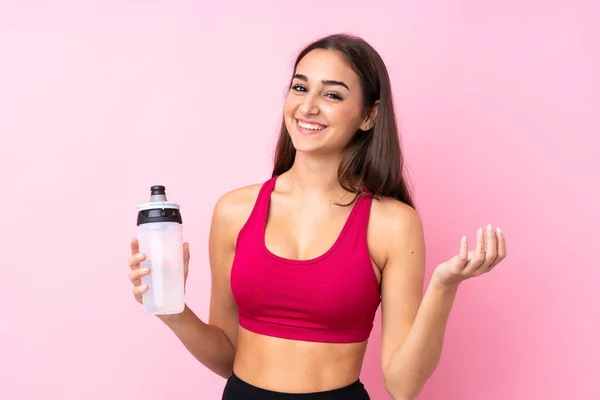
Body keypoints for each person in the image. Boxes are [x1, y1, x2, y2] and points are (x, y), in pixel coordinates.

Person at [127, 33, 507, 400]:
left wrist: (443, 287)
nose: (307, 106)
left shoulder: (392, 223)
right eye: (299, 87)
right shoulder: (234, 211)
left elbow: (403, 386)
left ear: (369, 116)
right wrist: (170, 307)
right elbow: (227, 357)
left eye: (331, 94)